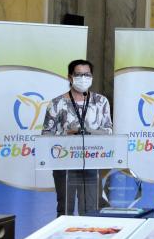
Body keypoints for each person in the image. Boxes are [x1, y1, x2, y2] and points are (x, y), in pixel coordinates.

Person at [42, 59, 113, 215]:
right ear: (70, 77)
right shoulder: (56, 103)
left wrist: (88, 131)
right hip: (64, 162)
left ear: (92, 77)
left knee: (90, 209)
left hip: (92, 161)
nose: (83, 78)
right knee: (64, 208)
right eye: (79, 75)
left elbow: (108, 131)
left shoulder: (101, 102)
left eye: (87, 75)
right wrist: (67, 134)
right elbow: (46, 135)